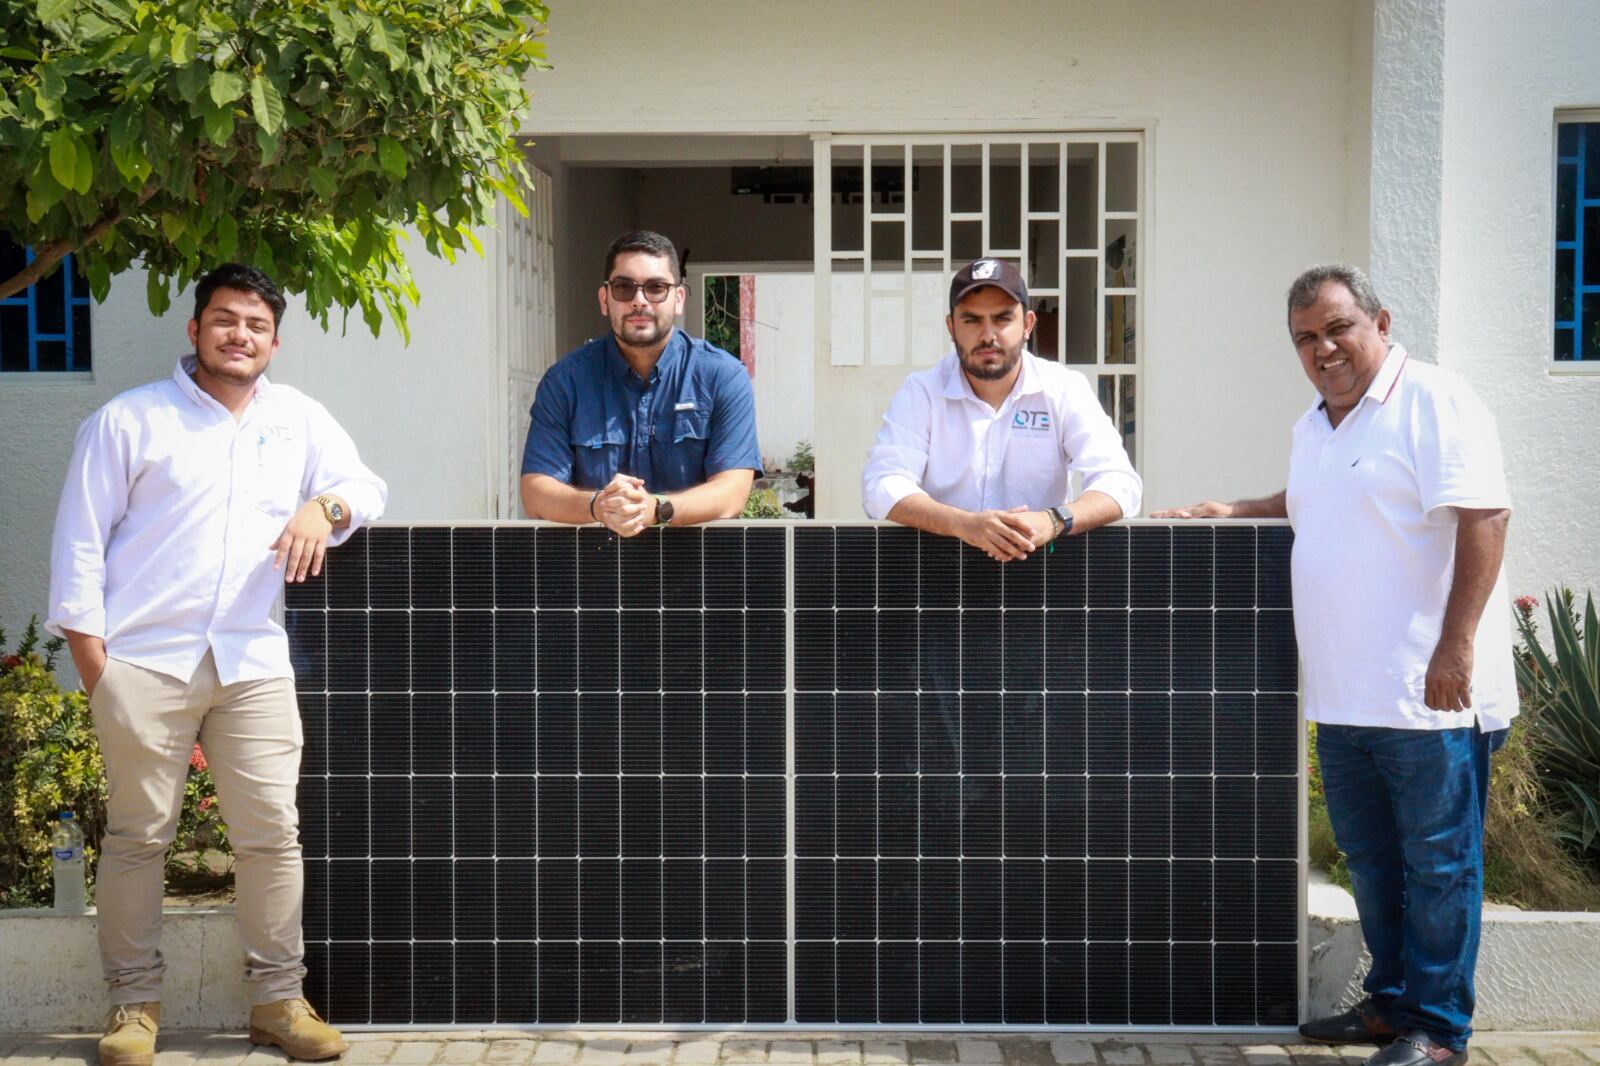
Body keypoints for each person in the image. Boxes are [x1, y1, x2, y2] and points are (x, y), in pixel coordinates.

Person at [1155, 264, 1515, 1066]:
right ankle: (1390, 1006)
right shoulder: (1317, 424)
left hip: (1431, 696)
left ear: (1380, 322)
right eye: (1306, 338)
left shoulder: (1434, 399)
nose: (1324, 348)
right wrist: (1238, 509)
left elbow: (1485, 515)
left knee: (1439, 863)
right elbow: (1318, 497)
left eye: (1338, 328)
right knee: (1374, 862)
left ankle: (1439, 1028)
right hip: (1349, 697)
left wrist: (1454, 647)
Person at [47, 263, 387, 1066]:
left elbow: (364, 486)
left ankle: (277, 1003)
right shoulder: (128, 422)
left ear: (274, 340)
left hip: (253, 661)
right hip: (143, 662)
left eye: (257, 325)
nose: (241, 335)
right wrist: (104, 677)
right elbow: (78, 550)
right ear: (194, 329)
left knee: (272, 837)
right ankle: (134, 1009)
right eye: (225, 320)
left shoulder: (299, 420)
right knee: (139, 839)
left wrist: (325, 506)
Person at [861, 257, 1141, 559]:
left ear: (1028, 324)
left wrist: (1053, 520)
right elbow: (882, 485)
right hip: (940, 574)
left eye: (1002, 319)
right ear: (951, 327)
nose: (988, 336)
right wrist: (962, 524)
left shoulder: (1063, 388)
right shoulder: (922, 393)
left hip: (1044, 573)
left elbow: (1119, 482)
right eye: (972, 320)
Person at [520, 230, 761, 533]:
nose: (639, 301)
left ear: (679, 298)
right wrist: (600, 506)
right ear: (604, 299)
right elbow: (536, 491)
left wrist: (657, 509)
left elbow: (732, 492)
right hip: (592, 572)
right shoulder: (565, 382)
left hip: (696, 573)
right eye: (624, 287)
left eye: (656, 287)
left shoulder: (722, 377)